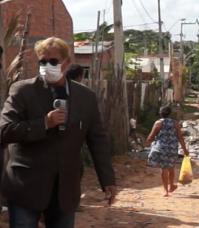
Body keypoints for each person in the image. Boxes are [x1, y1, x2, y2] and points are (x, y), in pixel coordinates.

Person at [0, 37, 116, 228]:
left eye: (53, 61)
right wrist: (44, 123)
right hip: (26, 186)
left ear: (67, 62)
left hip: (65, 189)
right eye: (42, 61)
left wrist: (107, 180)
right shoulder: (22, 91)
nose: (47, 66)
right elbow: (5, 131)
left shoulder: (85, 97)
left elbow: (98, 140)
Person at [146, 106, 189, 197]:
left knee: (164, 168)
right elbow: (180, 137)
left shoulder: (158, 123)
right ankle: (172, 185)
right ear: (170, 113)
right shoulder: (175, 123)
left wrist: (150, 142)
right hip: (172, 148)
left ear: (160, 113)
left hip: (161, 148)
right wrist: (185, 149)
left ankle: (166, 190)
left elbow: (151, 137)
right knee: (171, 167)